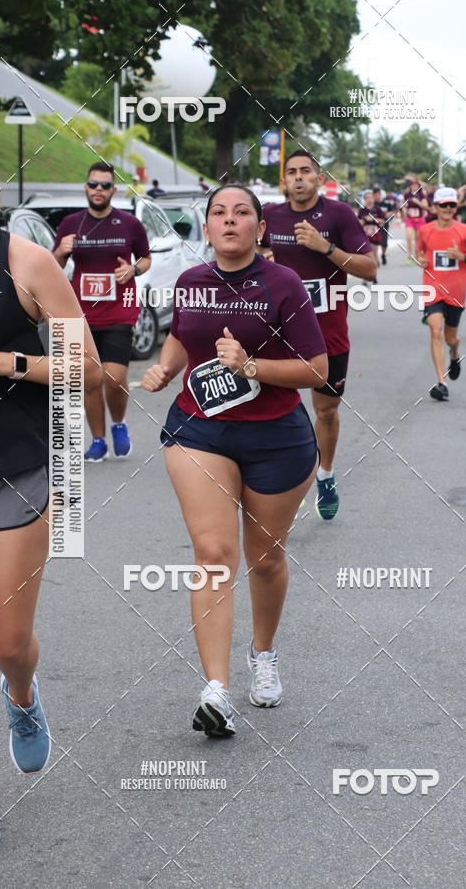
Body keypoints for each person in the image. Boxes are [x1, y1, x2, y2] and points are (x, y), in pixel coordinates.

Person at [141, 185, 328, 736]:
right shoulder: (190, 283)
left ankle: (263, 653)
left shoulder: (284, 285)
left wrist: (251, 366)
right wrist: (164, 367)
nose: (229, 221)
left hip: (276, 437)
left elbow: (316, 369)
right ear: (207, 228)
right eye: (219, 213)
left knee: (264, 560)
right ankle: (216, 690)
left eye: (241, 213)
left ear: (259, 228)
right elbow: (183, 337)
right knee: (214, 552)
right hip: (200, 429)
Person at [0, 136, 100, 843]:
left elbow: (82, 367)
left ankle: (21, 695)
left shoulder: (25, 263)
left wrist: (2, 361)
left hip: (11, 467)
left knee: (8, 640)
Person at [259, 150, 376, 520]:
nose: (298, 178)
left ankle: (325, 475)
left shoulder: (338, 214)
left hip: (327, 332)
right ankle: (278, 484)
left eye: (305, 171)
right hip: (277, 330)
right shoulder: (270, 215)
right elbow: (251, 257)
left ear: (319, 177)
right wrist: (265, 262)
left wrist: (324, 247)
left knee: (325, 412)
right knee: (273, 412)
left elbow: (369, 268)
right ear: (283, 181)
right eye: (291, 172)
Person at [53, 162, 151, 461]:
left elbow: (146, 259)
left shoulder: (129, 224)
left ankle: (119, 424)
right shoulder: (70, 223)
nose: (99, 190)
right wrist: (60, 251)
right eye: (93, 184)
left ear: (114, 190)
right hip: (80, 314)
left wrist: (132, 270)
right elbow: (53, 266)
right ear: (86, 187)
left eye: (105, 185)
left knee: (114, 377)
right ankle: (98, 440)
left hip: (119, 311)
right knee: (89, 380)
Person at [416, 186, 466, 401]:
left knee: (450, 338)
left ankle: (455, 353)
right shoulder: (425, 230)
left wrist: (461, 256)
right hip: (433, 291)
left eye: (451, 205)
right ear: (435, 207)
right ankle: (441, 382)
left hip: (456, 293)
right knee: (435, 330)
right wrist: (421, 260)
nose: (447, 208)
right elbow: (419, 252)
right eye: (443, 205)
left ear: (456, 207)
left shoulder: (465, 231)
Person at [401, 178, 428, 263]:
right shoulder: (407, 195)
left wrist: (417, 202)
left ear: (418, 186)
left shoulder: (421, 195)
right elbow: (403, 205)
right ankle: (409, 256)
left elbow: (425, 206)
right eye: (412, 185)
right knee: (409, 237)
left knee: (418, 238)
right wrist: (404, 212)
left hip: (420, 219)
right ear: (410, 186)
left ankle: (417, 256)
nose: (414, 187)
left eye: (416, 185)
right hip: (410, 219)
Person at [358, 190, 385, 270]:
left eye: (371, 198)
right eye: (367, 198)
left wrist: (373, 219)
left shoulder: (377, 209)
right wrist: (363, 220)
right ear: (365, 200)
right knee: (366, 254)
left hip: (375, 233)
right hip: (365, 234)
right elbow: (358, 222)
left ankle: (374, 274)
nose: (369, 200)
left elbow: (383, 220)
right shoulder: (362, 210)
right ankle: (367, 273)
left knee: (374, 253)